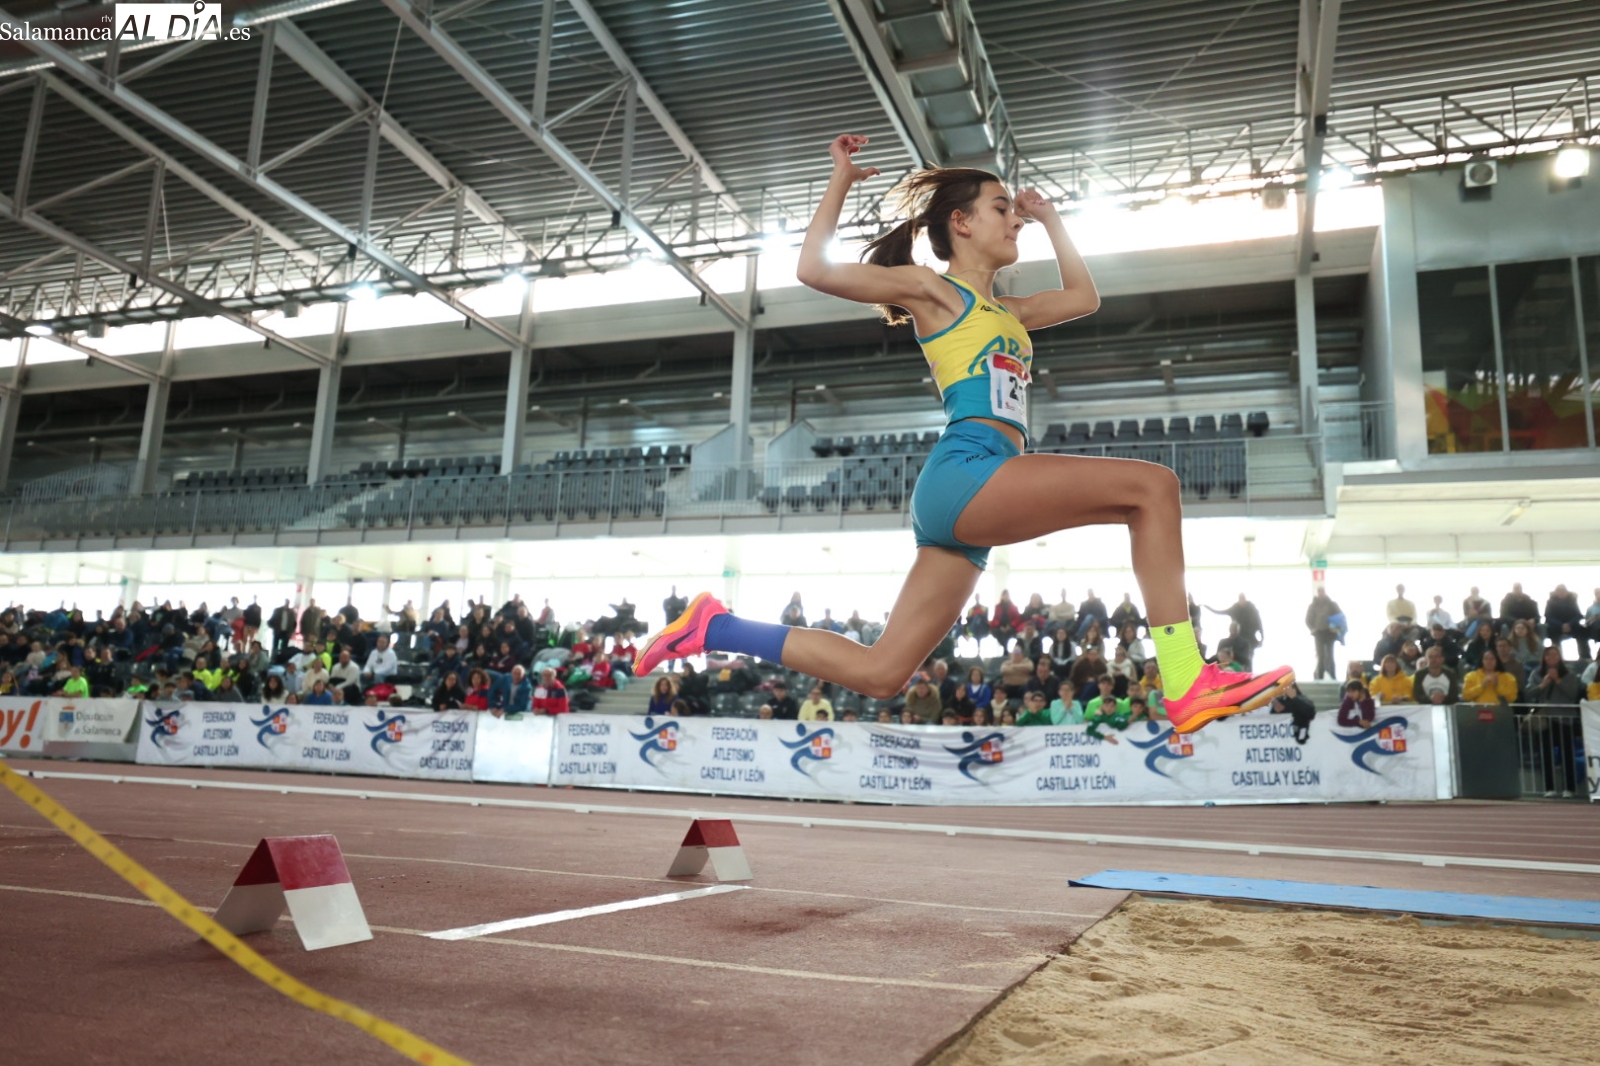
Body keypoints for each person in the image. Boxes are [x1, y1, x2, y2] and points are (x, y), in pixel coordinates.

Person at [631, 137, 1291, 734]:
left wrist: (1055, 220)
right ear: (961, 221)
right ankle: (1185, 678)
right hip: (968, 469)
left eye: (1017, 211)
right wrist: (839, 178)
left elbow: (1084, 297)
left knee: (882, 672)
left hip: (969, 494)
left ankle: (715, 626)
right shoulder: (935, 292)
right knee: (1153, 487)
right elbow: (815, 269)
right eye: (1002, 208)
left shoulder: (1012, 311)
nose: (1016, 220)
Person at [1306, 587, 1341, 681]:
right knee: (1320, 656)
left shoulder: (1332, 604)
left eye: (1322, 591)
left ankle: (1333, 677)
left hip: (1330, 633)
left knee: (1330, 655)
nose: (1321, 593)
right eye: (1319, 591)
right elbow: (1308, 619)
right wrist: (1312, 629)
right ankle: (1319, 678)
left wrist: (1337, 628)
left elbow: (1340, 617)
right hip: (1319, 633)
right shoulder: (1313, 606)